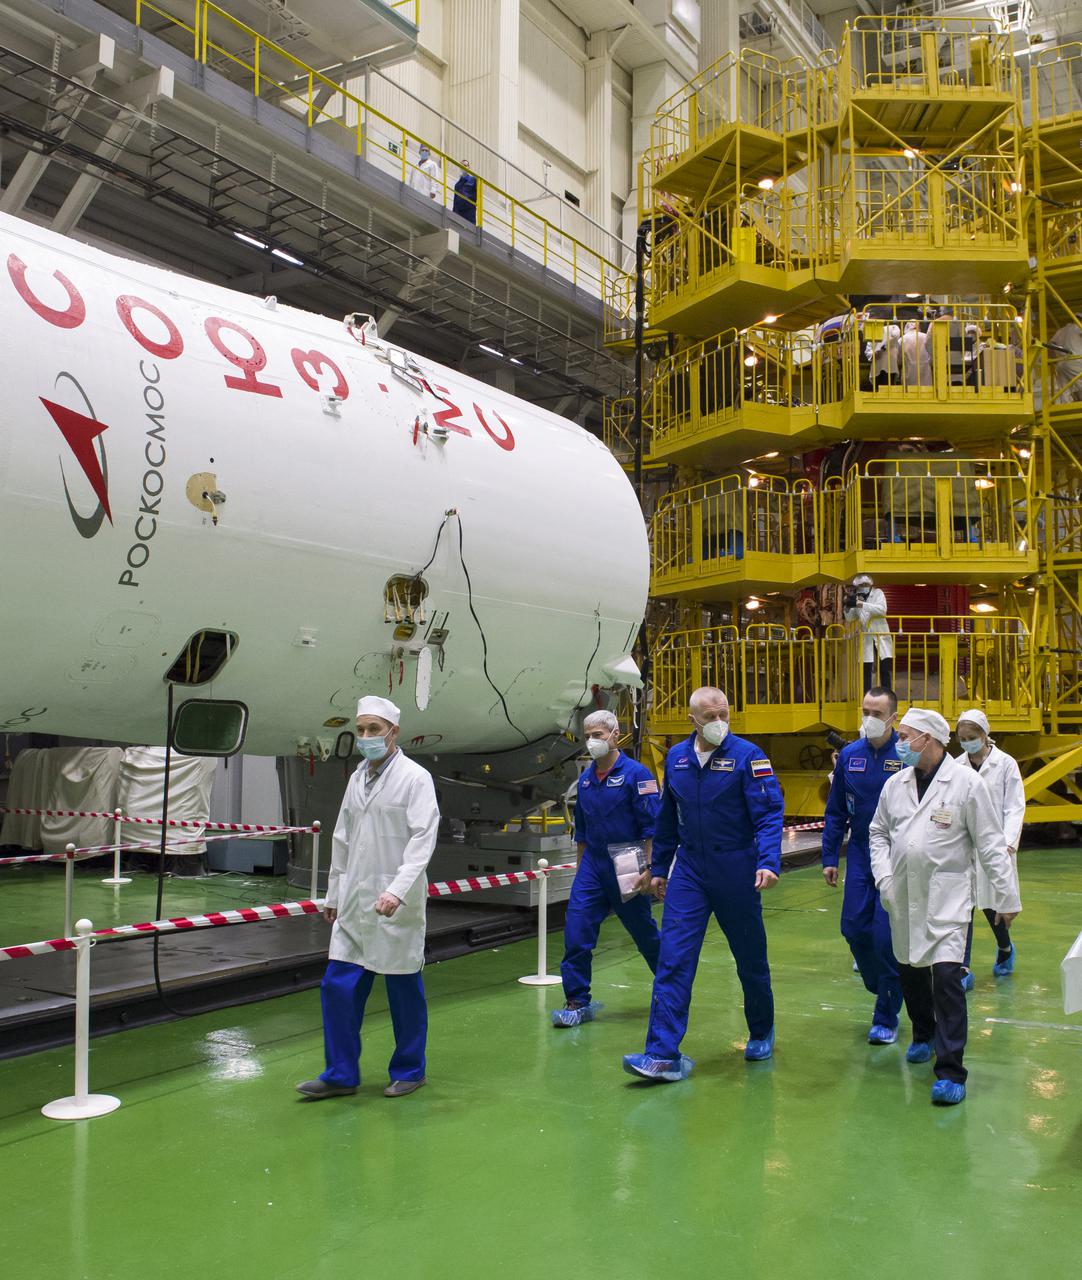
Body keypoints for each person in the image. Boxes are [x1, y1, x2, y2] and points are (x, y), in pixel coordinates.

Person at [622, 686, 784, 1082]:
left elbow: (768, 814)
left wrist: (767, 861)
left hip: (736, 866)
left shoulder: (749, 757)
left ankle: (761, 1029)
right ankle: (662, 1054)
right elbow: (666, 818)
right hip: (691, 869)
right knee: (673, 958)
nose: (718, 723)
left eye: (723, 714)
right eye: (709, 716)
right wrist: (659, 867)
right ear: (692, 719)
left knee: (749, 957)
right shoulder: (676, 758)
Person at [868, 708, 1021, 1105]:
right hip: (901, 895)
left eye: (906, 736)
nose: (900, 743)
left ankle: (951, 1070)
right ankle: (922, 1032)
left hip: (948, 897)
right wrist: (884, 878)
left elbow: (989, 843)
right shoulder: (895, 784)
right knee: (911, 971)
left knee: (949, 979)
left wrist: (1006, 897)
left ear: (931, 740)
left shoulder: (967, 784)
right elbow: (878, 832)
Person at [296, 696, 440, 1101]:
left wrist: (397, 890)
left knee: (404, 992)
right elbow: (342, 838)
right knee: (337, 987)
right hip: (356, 902)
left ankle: (411, 1070)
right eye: (360, 730)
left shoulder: (415, 778)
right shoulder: (357, 777)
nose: (365, 738)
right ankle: (341, 1074)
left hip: (396, 902)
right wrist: (334, 894)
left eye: (373, 730)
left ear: (394, 732)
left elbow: (422, 839)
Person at [551, 711, 662, 1027]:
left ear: (616, 735)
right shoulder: (586, 780)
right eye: (588, 735)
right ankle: (576, 1001)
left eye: (598, 734)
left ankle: (671, 988)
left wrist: (650, 867)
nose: (592, 741)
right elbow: (581, 831)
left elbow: (652, 827)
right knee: (577, 931)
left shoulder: (637, 775)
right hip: (593, 866)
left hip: (627, 863)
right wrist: (580, 870)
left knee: (643, 931)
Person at [821, 687, 904, 1044]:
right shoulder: (850, 756)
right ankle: (880, 983)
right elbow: (836, 810)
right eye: (865, 710)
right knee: (853, 927)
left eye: (877, 712)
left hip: (898, 858)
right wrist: (828, 857)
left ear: (893, 718)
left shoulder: (906, 755)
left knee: (885, 938)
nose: (869, 718)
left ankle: (886, 1015)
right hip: (859, 852)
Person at [956, 708, 1024, 983]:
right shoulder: (956, 766)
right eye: (962, 738)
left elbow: (1015, 806)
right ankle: (963, 967)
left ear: (985, 735)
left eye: (972, 737)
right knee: (963, 906)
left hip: (996, 845)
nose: (967, 742)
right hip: (964, 845)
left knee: (992, 905)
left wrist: (1008, 843)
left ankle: (1005, 948)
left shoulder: (1006, 764)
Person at [843, 573, 893, 692]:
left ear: (870, 585)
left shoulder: (878, 593)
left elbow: (882, 610)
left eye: (865, 584)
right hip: (866, 637)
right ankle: (866, 696)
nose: (863, 586)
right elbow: (850, 618)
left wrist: (861, 604)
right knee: (866, 669)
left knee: (884, 668)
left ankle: (887, 694)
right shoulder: (857, 597)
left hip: (881, 635)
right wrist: (847, 607)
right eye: (861, 585)